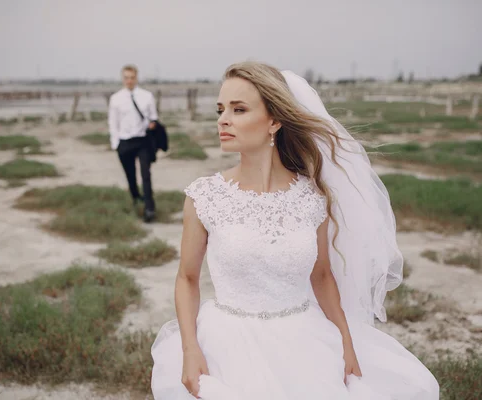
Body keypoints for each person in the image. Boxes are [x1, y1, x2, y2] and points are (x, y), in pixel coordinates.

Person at [150, 62, 440, 400]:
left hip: (305, 341)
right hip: (227, 344)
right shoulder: (204, 196)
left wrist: (346, 342)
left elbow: (323, 277)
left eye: (238, 109)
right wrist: (190, 350)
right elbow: (187, 279)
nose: (223, 119)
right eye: (221, 109)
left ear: (274, 121)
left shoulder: (312, 197)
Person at [108, 64, 159, 222]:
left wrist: (152, 124)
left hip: (142, 140)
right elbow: (112, 123)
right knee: (130, 175)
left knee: (146, 175)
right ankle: (137, 198)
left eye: (132, 77)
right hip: (124, 142)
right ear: (122, 79)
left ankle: (149, 208)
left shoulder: (147, 96)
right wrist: (115, 144)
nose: (129, 81)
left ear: (136, 78)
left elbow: (154, 117)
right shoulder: (115, 98)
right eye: (126, 78)